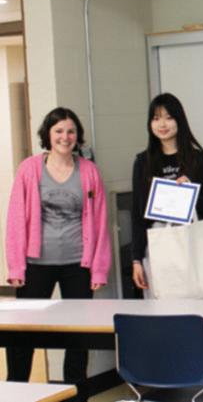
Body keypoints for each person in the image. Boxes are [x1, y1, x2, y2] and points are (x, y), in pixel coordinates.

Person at [5, 107, 111, 401]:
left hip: (78, 264)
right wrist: (16, 266)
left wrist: (99, 269)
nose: (65, 137)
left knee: (78, 335)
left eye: (71, 131)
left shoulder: (88, 171)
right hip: (35, 263)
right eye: (59, 131)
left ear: (77, 136)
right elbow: (15, 220)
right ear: (48, 135)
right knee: (22, 334)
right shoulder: (29, 169)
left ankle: (76, 395)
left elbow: (100, 220)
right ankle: (16, 391)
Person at [130, 93, 203, 296]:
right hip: (158, 245)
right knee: (163, 304)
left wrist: (191, 193)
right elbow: (138, 214)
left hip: (193, 243)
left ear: (180, 120)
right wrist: (136, 259)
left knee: (198, 302)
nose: (162, 124)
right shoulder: (143, 162)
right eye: (156, 118)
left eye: (169, 117)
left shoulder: (198, 159)